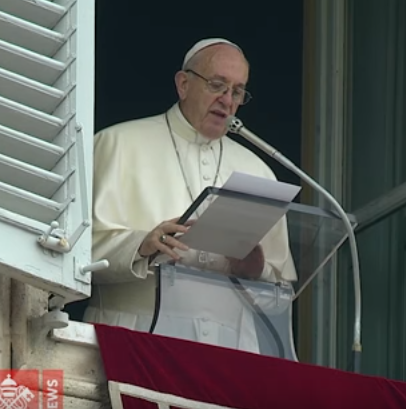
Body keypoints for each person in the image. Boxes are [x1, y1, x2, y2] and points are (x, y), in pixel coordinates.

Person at [83, 38, 297, 355]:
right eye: (217, 85)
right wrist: (141, 245)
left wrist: (255, 272)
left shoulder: (258, 171)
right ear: (183, 84)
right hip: (134, 336)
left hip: (231, 351)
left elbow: (280, 295)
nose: (227, 100)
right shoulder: (118, 145)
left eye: (237, 92)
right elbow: (74, 255)